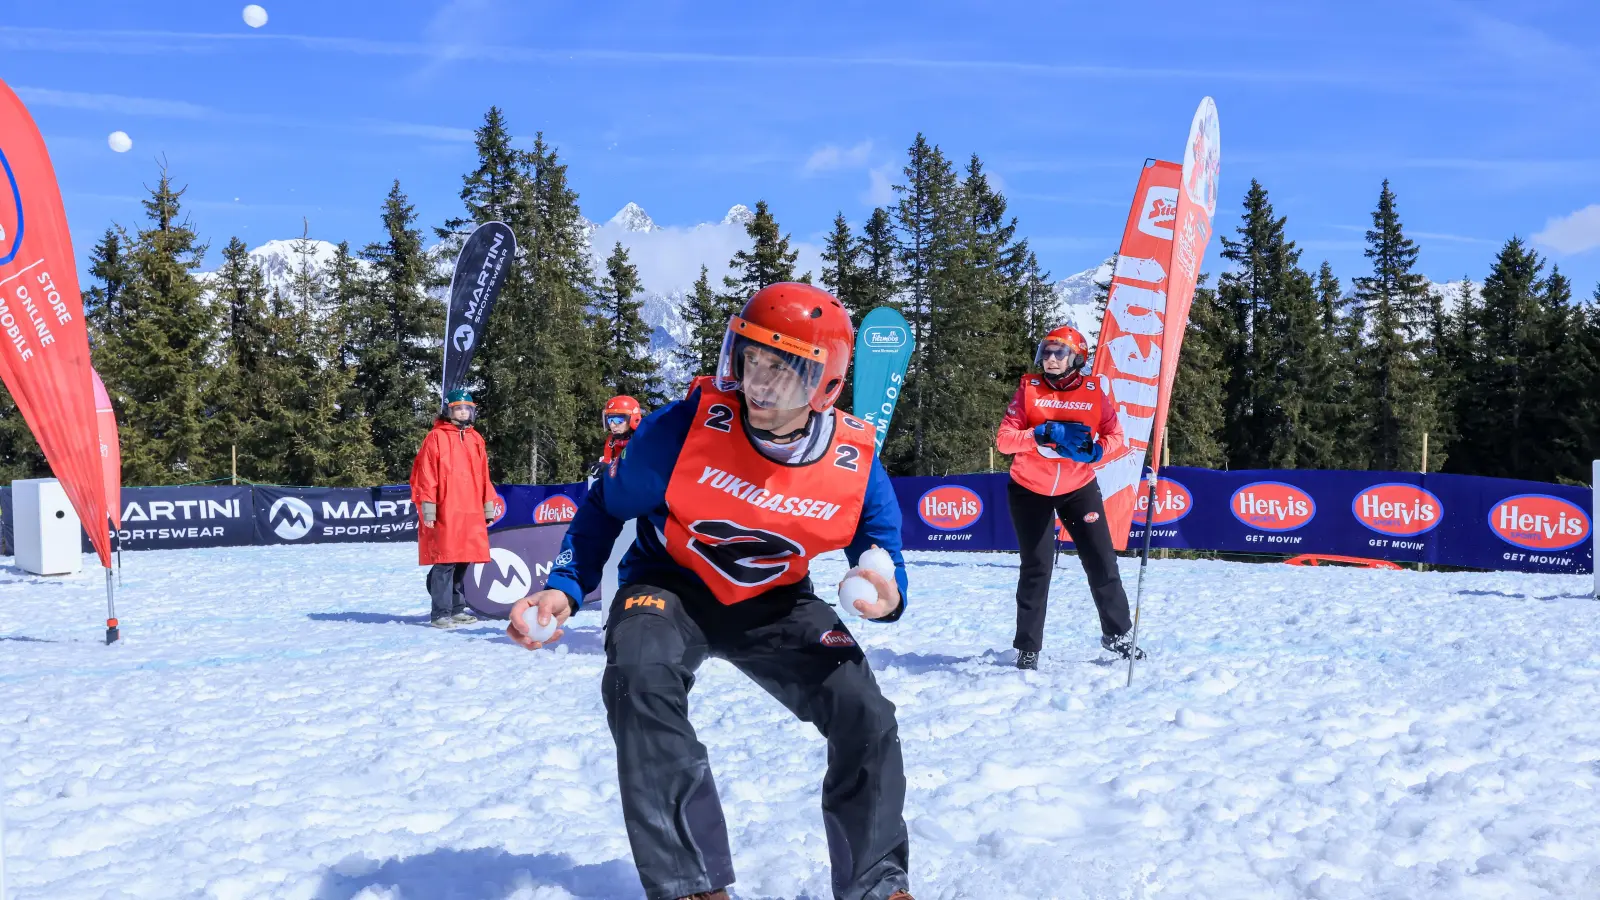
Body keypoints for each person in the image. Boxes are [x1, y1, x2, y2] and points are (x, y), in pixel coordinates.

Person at [508, 283, 916, 900]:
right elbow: (605, 506)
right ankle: (691, 884)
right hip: (669, 585)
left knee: (867, 714)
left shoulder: (855, 458)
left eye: (785, 371)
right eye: (751, 360)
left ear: (825, 386)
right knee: (639, 678)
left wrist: (887, 591)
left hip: (778, 599)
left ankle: (877, 885)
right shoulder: (683, 427)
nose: (760, 385)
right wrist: (564, 587)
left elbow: (882, 552)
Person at [995, 324, 1141, 670]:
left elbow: (1117, 437)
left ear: (1076, 358)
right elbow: (1004, 440)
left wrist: (1098, 452)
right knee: (1037, 567)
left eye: (1058, 352)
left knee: (1102, 561)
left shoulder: (1093, 392)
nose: (1050, 358)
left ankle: (1118, 634)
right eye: (1046, 351)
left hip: (1078, 488)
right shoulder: (1028, 389)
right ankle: (1028, 647)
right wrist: (1039, 434)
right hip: (1029, 489)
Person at [411, 388, 498, 629]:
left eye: (467, 409)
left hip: (471, 509)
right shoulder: (436, 437)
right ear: (448, 411)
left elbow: (484, 476)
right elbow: (426, 475)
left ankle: (457, 608)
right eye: (458, 408)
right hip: (446, 508)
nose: (463, 412)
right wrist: (429, 509)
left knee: (464, 559)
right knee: (445, 560)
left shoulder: (475, 438)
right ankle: (440, 613)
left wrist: (487, 508)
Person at [592, 394, 643, 477]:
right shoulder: (612, 441)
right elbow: (607, 460)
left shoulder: (642, 440)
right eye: (609, 419)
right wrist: (602, 468)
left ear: (634, 419)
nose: (612, 425)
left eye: (618, 420)